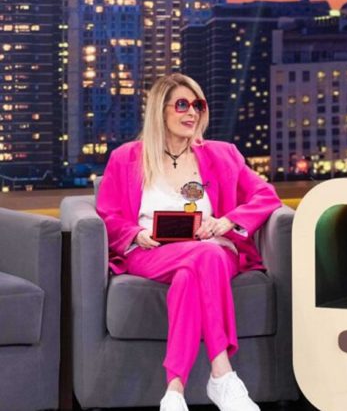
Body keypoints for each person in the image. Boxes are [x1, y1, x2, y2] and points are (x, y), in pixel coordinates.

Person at [96, 73, 281, 411]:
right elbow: (108, 214)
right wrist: (135, 234)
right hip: (152, 251)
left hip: (214, 249)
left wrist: (227, 221)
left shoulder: (223, 155)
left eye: (198, 105)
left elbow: (266, 196)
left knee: (194, 270)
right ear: (160, 110)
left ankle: (174, 392)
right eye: (182, 104)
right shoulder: (127, 158)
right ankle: (222, 375)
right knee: (202, 258)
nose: (192, 112)